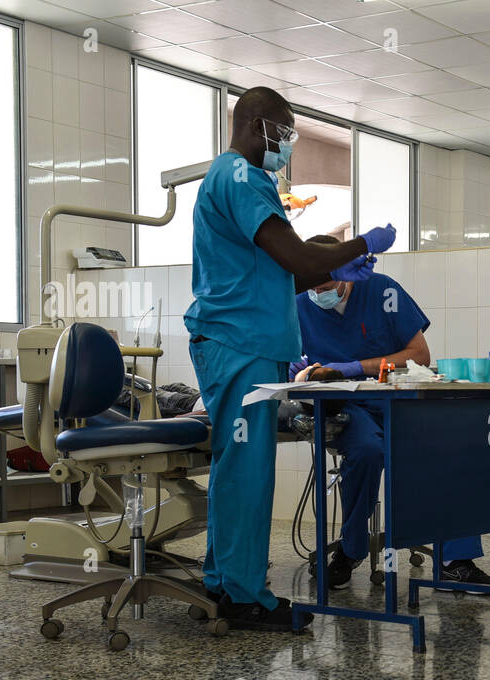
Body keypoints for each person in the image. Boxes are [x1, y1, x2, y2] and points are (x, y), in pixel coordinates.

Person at [185, 86, 396, 632]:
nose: (286, 146)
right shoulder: (239, 177)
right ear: (256, 125)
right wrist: (359, 244)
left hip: (250, 345)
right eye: (283, 133)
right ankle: (243, 596)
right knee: (246, 474)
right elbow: (298, 253)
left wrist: (332, 271)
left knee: (244, 471)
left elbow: (290, 269)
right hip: (238, 344)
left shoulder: (242, 183)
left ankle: (224, 583)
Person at [290, 236, 490, 590]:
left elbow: (419, 354)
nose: (318, 294)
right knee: (367, 452)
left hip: (397, 401)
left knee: (452, 445)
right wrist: (300, 370)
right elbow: (292, 363)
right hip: (345, 407)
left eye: (325, 285)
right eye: (311, 287)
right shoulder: (298, 305)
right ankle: (352, 548)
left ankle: (455, 559)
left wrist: (354, 367)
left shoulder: (382, 291)